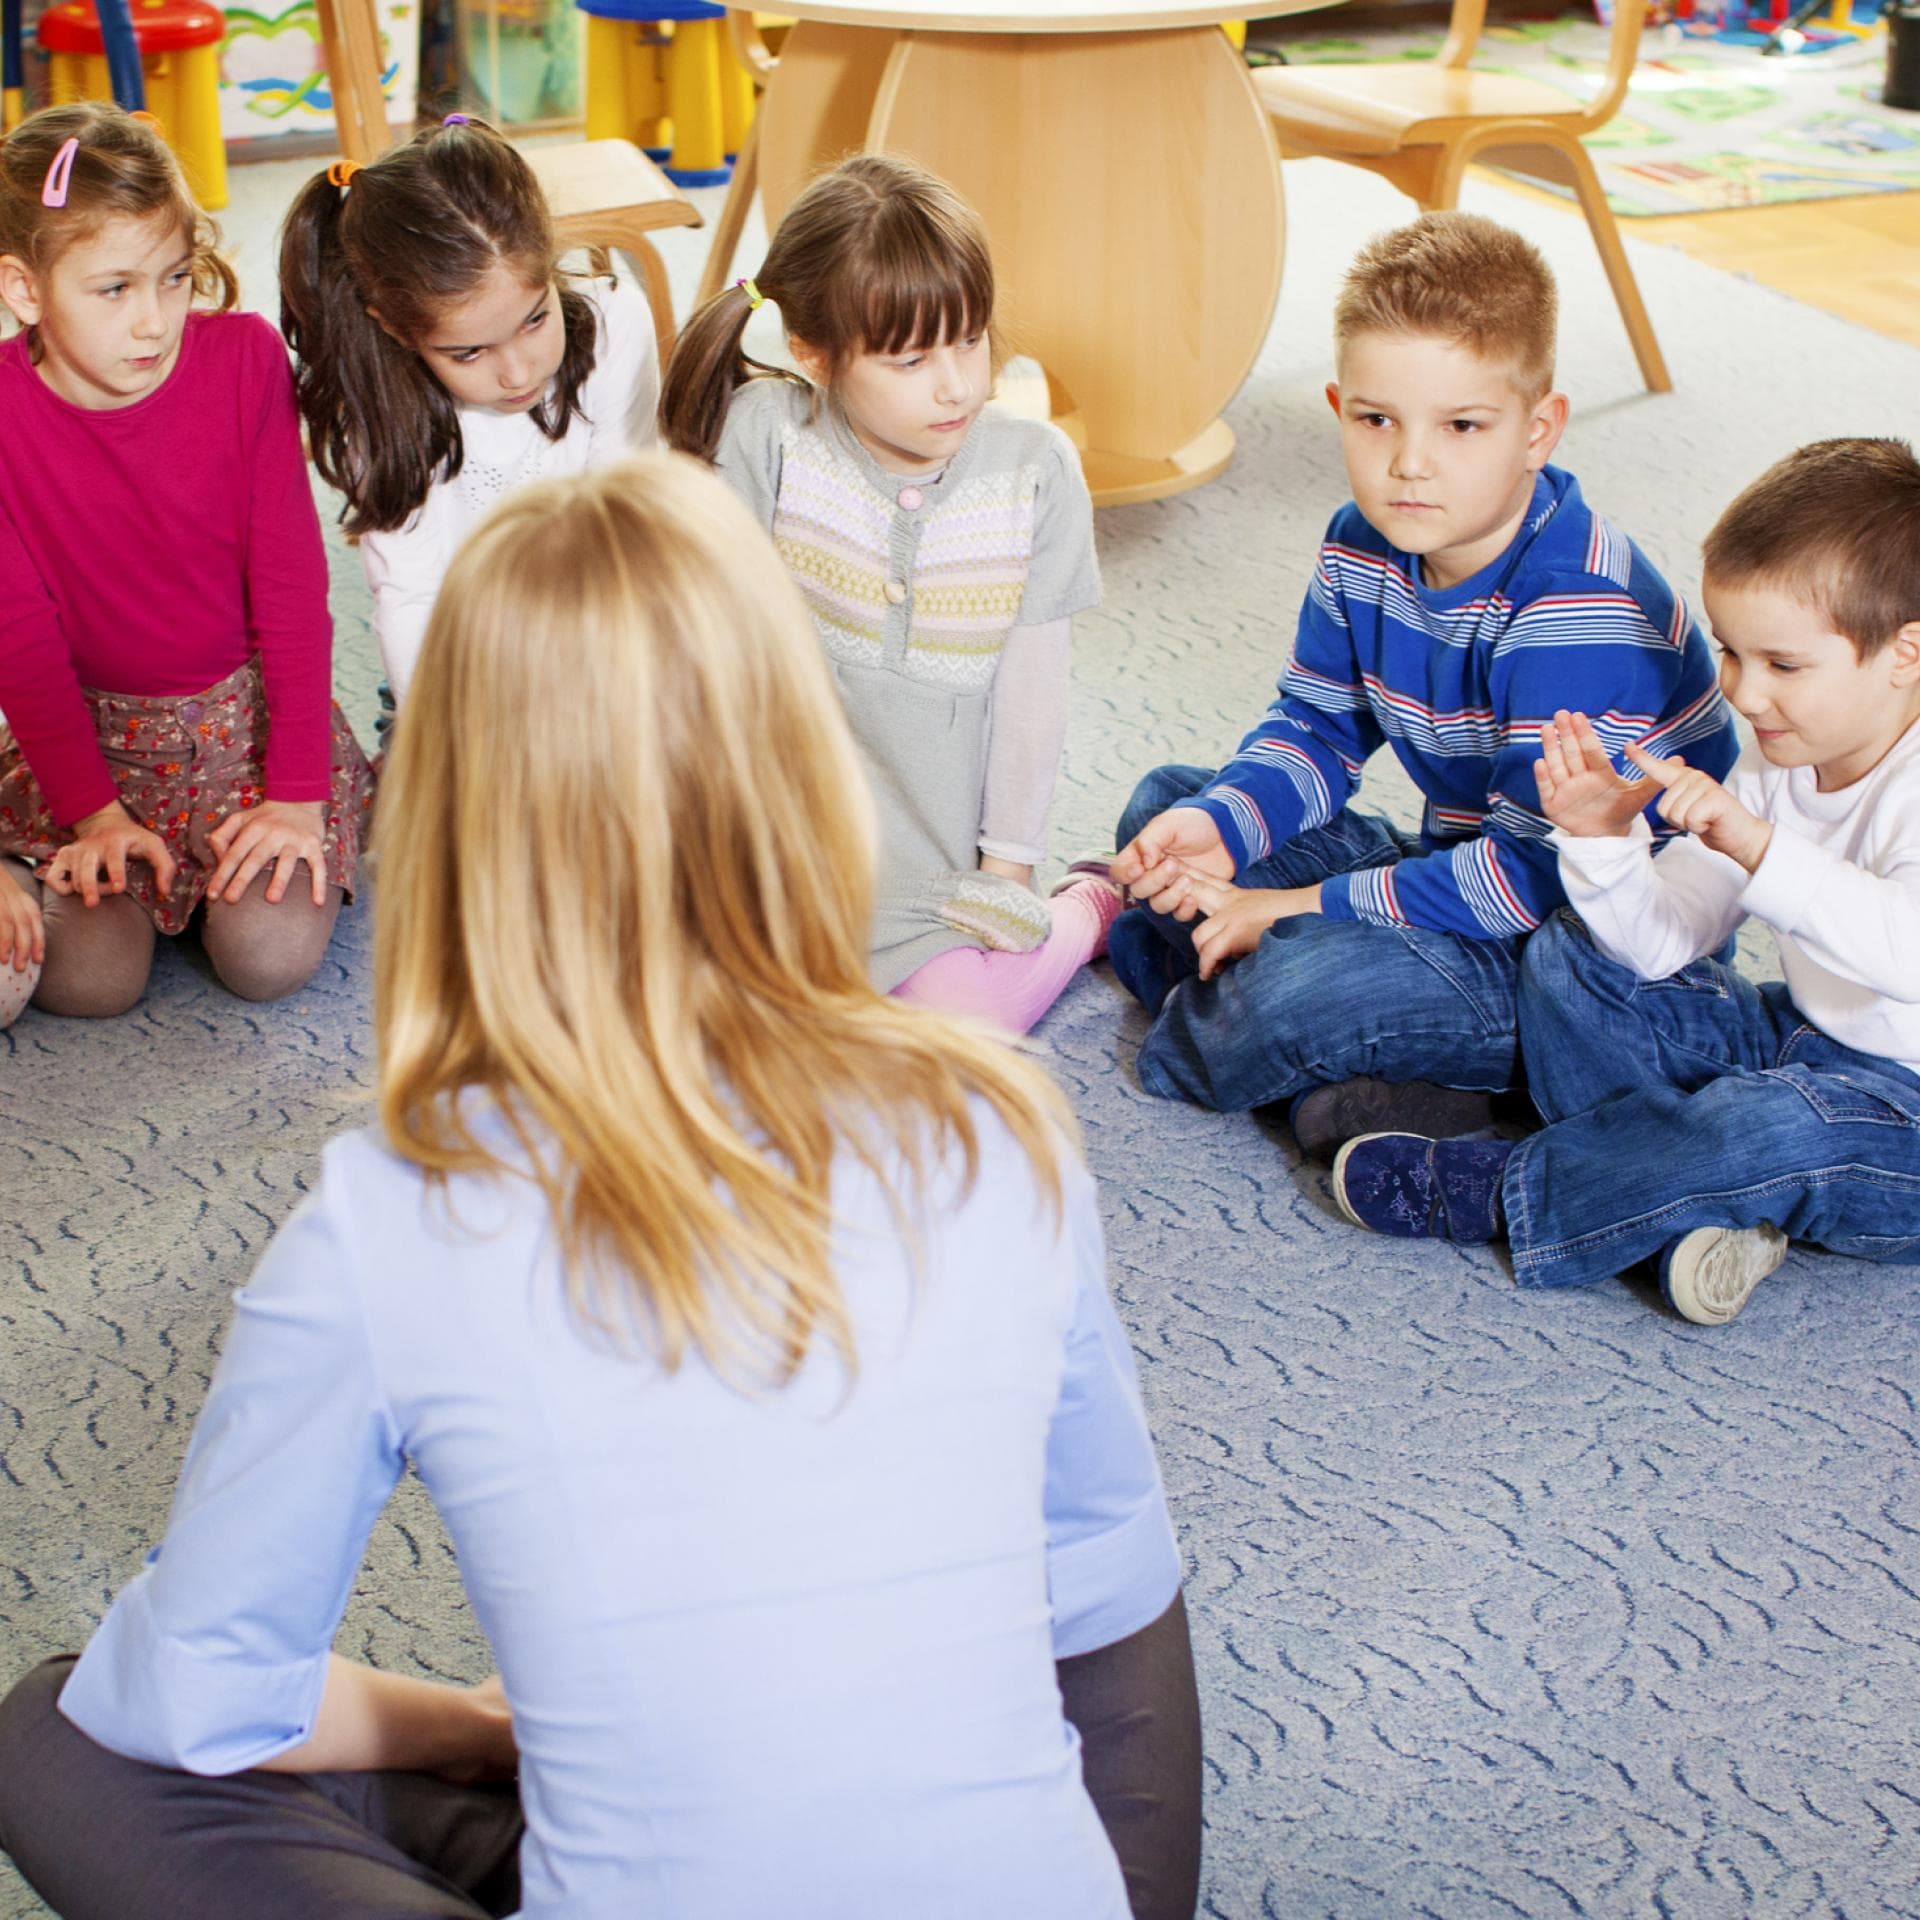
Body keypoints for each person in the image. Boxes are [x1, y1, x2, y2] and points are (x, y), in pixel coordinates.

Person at [0, 456, 1204, 1920]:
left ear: (455, 812)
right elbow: (1108, 1600)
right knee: (1095, 1597)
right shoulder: (994, 1114)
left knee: (57, 1728)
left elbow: (188, 1705)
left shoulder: (395, 1211)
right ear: (799, 761)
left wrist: (479, 1726)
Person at [1107, 212, 1738, 1157]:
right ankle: (1379, 1070)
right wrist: (1223, 824)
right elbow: (1316, 730)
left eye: (1462, 425)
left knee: (1289, 995)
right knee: (1168, 807)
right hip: (1462, 875)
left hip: (1579, 960)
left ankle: (1311, 1029)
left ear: (1539, 430)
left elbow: (1533, 881)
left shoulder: (1580, 607)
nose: (1409, 462)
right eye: (1375, 420)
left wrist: (1282, 911)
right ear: (1338, 409)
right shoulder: (1361, 545)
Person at [1332, 438, 1920, 1326]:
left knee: (1780, 1128)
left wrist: (1759, 847)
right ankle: (1692, 1201)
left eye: (1784, 666)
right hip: (1795, 1041)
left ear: (1906, 654)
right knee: (1573, 952)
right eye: (1731, 653)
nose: (1745, 697)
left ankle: (1522, 1189)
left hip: (1899, 1125)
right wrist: (1605, 844)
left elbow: (1905, 952)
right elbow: (1663, 941)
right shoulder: (1775, 761)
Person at [661, 153, 1116, 1033]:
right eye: (910, 359)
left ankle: (1089, 912)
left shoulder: (1036, 472)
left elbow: (1032, 697)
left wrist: (1008, 874)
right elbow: (709, 666)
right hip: (787, 832)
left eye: (971, 340)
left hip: (938, 861)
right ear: (813, 354)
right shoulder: (764, 437)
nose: (956, 385)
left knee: (960, 1027)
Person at [0, 102, 374, 1015]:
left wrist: (290, 797)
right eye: (115, 289)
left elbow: (292, 589)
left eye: (174, 278)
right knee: (92, 982)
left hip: (243, 727)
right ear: (23, 290)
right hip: (93, 745)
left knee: (266, 956)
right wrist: (92, 815)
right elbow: (20, 638)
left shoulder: (244, 359)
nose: (156, 322)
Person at [279, 113, 658, 732]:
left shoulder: (616, 322)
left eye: (535, 319)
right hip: (461, 666)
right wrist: (460, 749)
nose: (516, 373)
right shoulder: (378, 414)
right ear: (396, 328)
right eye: (469, 353)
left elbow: (628, 521)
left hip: (604, 635)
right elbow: (411, 598)